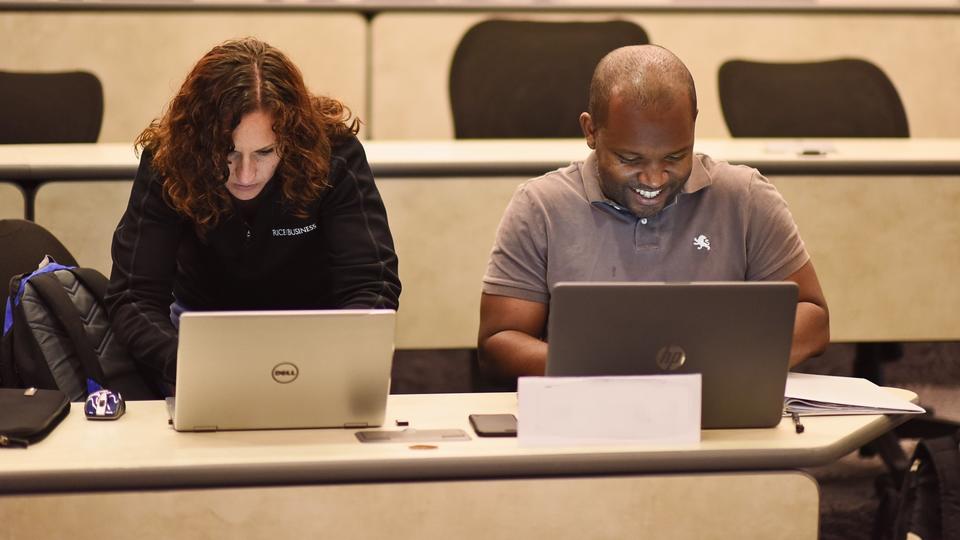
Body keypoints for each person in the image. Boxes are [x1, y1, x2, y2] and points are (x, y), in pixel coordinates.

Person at [478, 44, 829, 378]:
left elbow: (813, 319)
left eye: (676, 157)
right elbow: (499, 341)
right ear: (591, 131)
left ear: (693, 124)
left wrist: (720, 363)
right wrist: (612, 372)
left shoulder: (746, 198)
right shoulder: (541, 206)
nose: (654, 178)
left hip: (717, 418)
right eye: (630, 159)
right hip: (587, 415)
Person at [105, 38, 401, 393]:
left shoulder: (333, 155)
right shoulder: (170, 160)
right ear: (198, 142)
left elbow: (372, 283)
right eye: (228, 153)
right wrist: (190, 365)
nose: (245, 175)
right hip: (199, 334)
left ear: (291, 139)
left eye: (264, 152)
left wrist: (333, 357)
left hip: (315, 333)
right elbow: (134, 296)